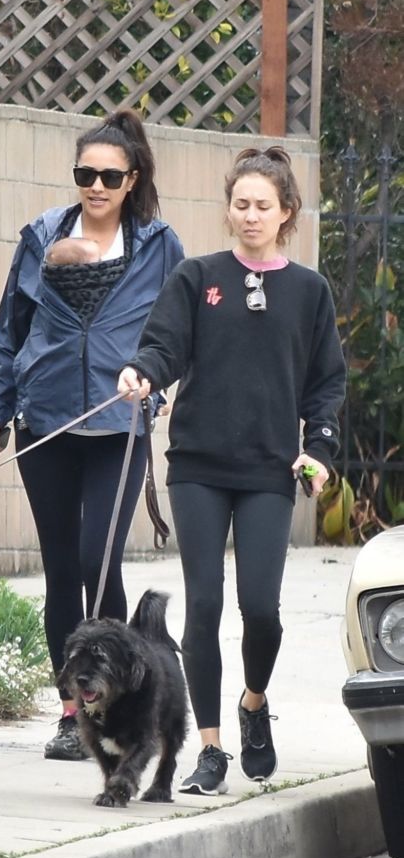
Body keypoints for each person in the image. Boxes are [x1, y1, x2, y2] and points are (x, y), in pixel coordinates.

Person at [118, 146, 346, 795]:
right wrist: (144, 373)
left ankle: (253, 704)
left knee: (261, 611)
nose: (250, 215)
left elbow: (326, 383)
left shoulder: (310, 292)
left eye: (263, 206)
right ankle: (211, 747)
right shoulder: (197, 277)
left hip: (270, 469)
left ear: (286, 213)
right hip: (197, 466)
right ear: (229, 210)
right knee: (206, 603)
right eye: (240, 204)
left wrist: (320, 451)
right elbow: (164, 345)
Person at [0, 109, 184, 761]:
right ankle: (73, 716)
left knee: (100, 560)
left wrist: (153, 378)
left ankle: (120, 700)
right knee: (63, 569)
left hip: (119, 422)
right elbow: (10, 330)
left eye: (108, 176)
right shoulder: (42, 237)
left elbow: (176, 332)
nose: (95, 185)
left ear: (132, 178)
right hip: (48, 417)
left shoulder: (157, 244)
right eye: (84, 174)